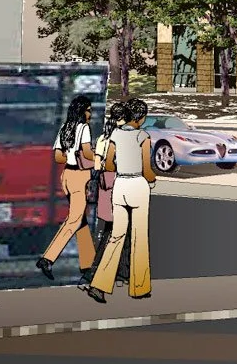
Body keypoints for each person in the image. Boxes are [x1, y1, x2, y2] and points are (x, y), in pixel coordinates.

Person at [86, 95, 154, 303]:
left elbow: (108, 165)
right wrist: (151, 180)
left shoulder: (114, 134)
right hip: (137, 185)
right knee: (138, 237)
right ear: (140, 118)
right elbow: (147, 169)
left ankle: (99, 285)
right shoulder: (143, 136)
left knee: (116, 236)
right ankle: (139, 287)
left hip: (120, 185)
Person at [39, 93, 101, 281]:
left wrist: (71, 157)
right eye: (88, 110)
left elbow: (58, 156)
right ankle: (47, 258)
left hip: (66, 175)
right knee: (74, 220)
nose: (90, 114)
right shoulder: (84, 128)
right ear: (82, 111)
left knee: (81, 222)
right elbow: (88, 153)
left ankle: (87, 266)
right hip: (79, 177)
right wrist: (100, 157)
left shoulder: (65, 128)